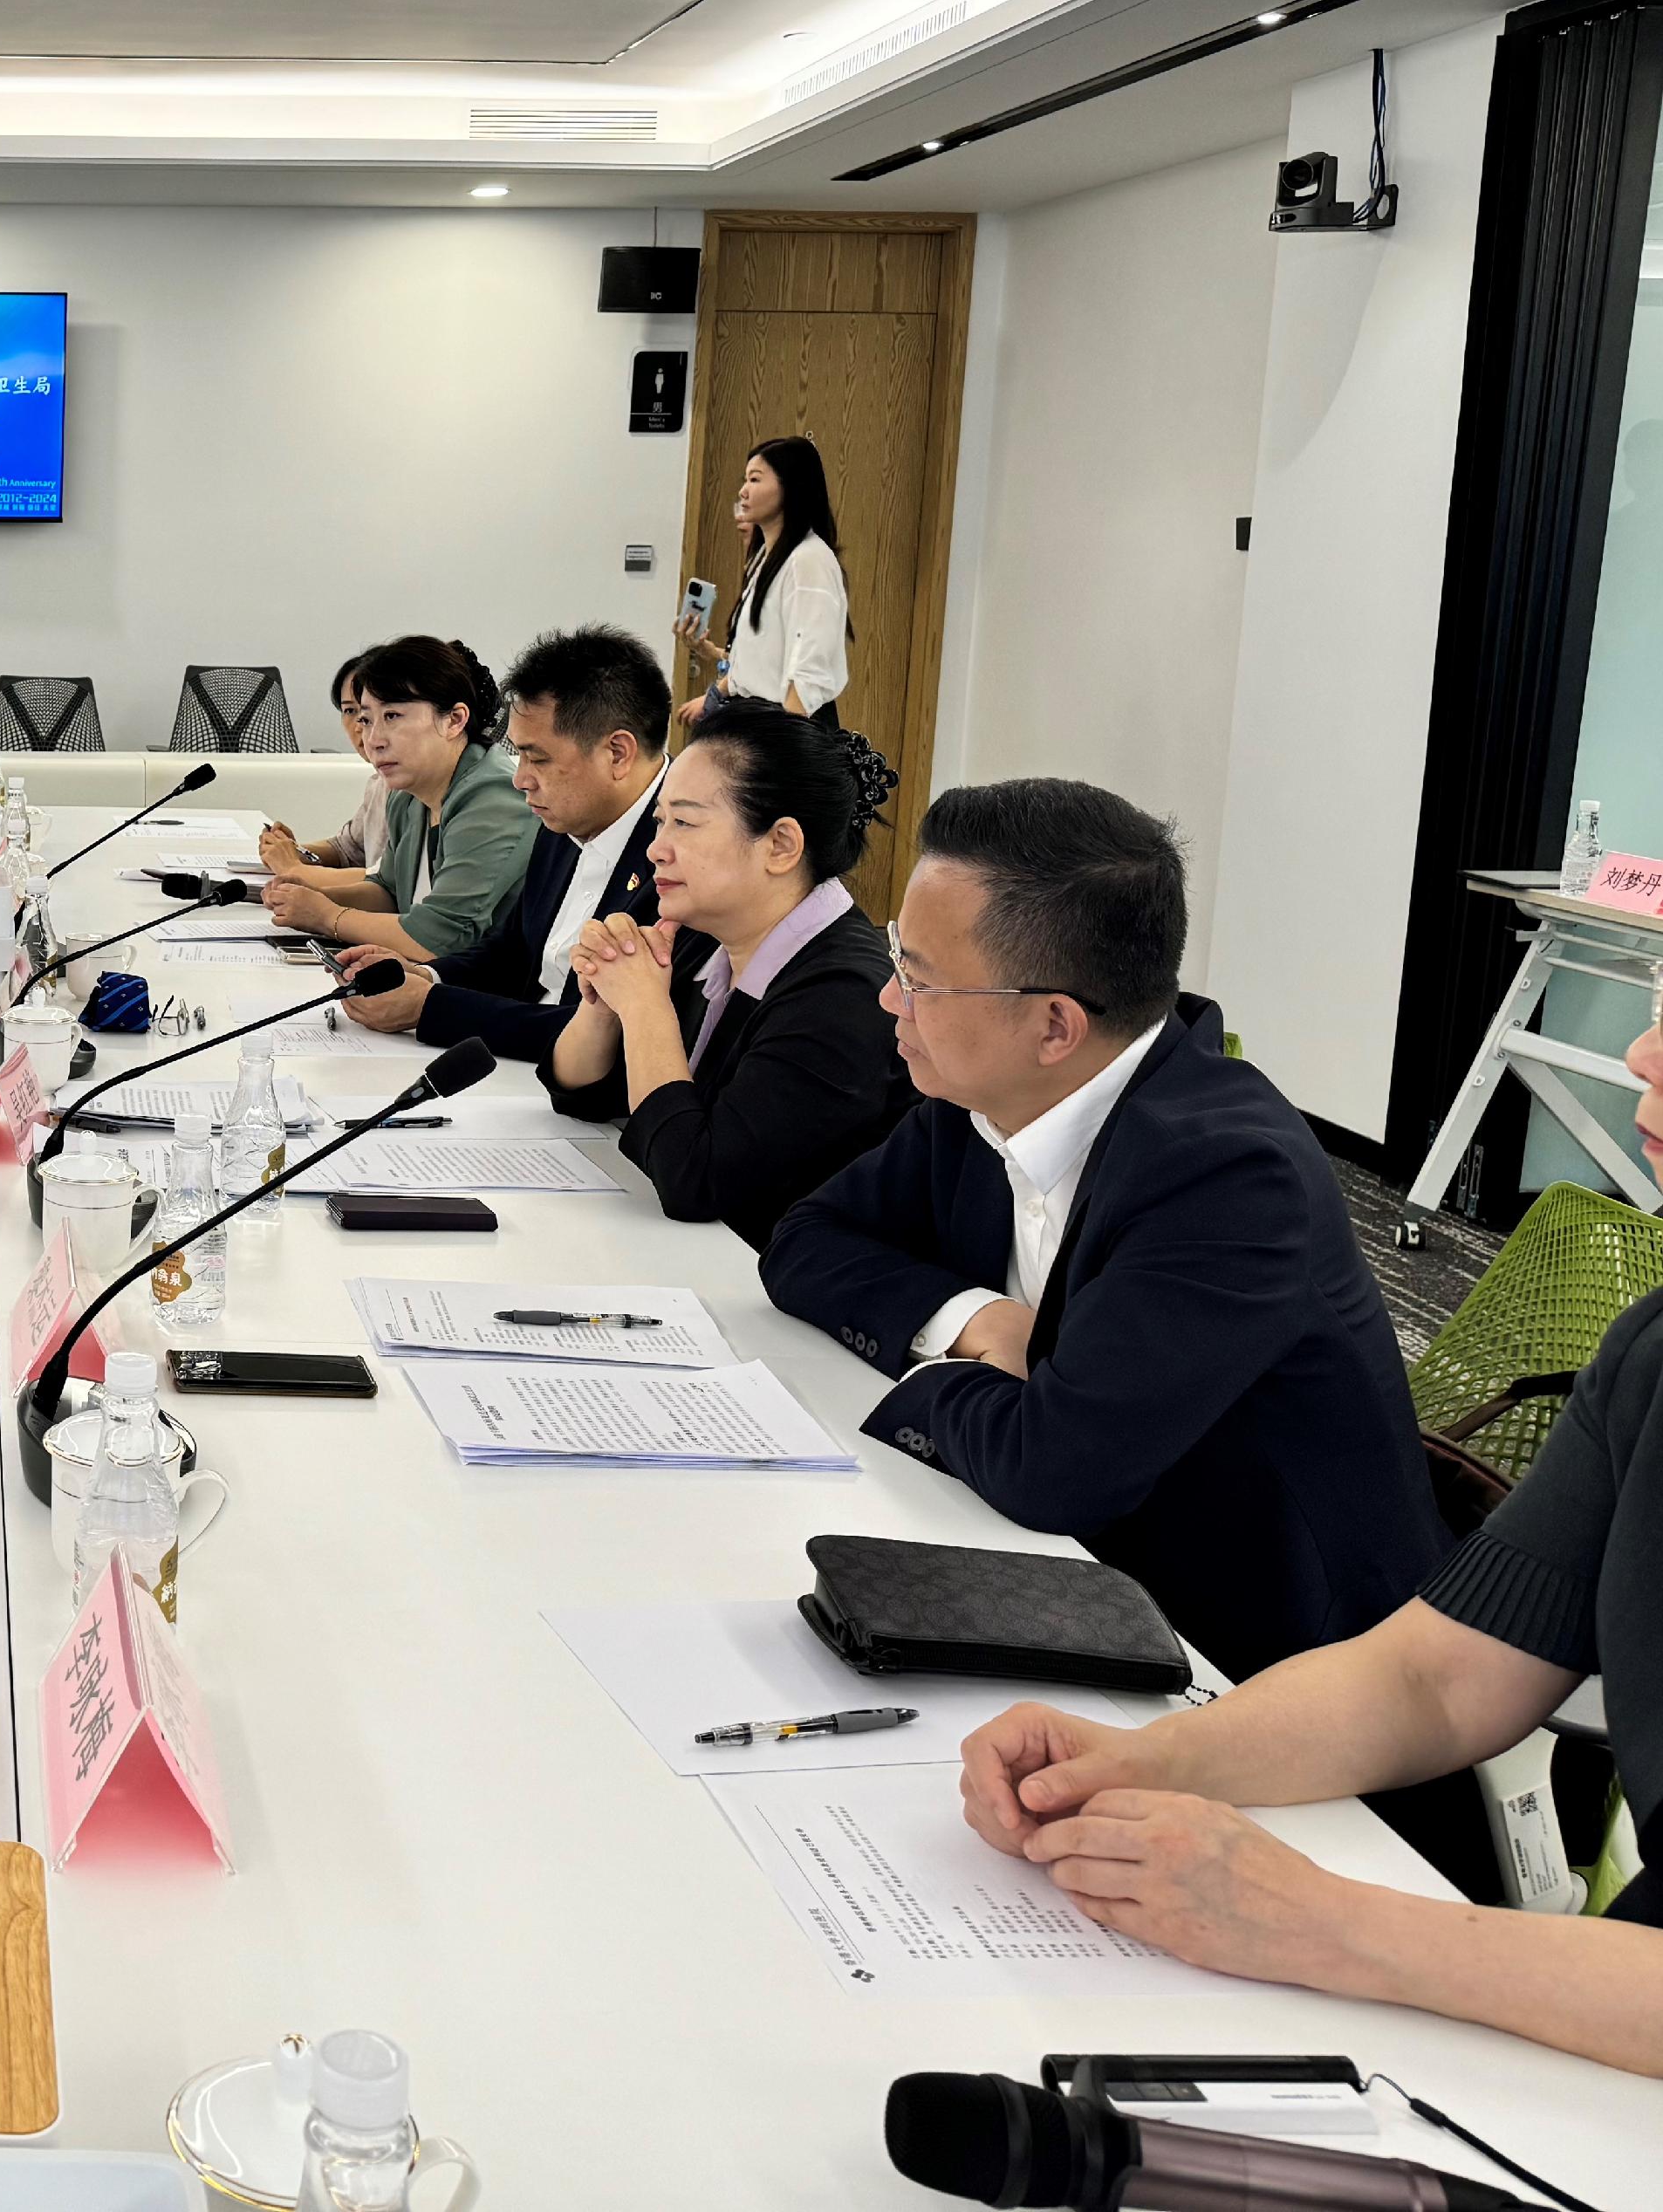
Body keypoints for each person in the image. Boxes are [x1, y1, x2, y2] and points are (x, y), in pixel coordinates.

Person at [953, 1006, 1663, 2069]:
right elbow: (1435, 1676)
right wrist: (1147, 1762)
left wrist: (1321, 1921)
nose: (1640, 1056)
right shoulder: (1649, 1357)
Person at [762, 778, 1447, 1683]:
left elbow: (1051, 1470)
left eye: (919, 979)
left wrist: (929, 1382)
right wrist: (974, 1321)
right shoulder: (978, 1091)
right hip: (1064, 1569)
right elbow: (802, 1242)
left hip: (1267, 1656)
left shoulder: (1230, 1177)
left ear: (1054, 1025)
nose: (890, 1002)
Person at [538, 700, 911, 1245]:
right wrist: (604, 1006)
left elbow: (697, 1181)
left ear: (781, 845)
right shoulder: (703, 938)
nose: (656, 849)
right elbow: (583, 1095)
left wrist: (645, 1008)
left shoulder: (846, 993)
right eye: (660, 821)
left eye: (685, 823)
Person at [341, 627, 671, 1062]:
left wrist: (432, 1007)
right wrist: (424, 975)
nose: (521, 779)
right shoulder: (565, 823)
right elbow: (513, 949)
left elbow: (604, 1028)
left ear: (617, 753)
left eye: (539, 758)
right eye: (519, 755)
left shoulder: (677, 855)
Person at [259, 636, 532, 962]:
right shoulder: (407, 795)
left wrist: (327, 915)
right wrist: (309, 898)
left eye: (392, 716)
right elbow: (388, 891)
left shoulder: (494, 798)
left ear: (454, 720)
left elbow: (438, 938)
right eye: (366, 719)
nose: (373, 740)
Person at [678, 434, 850, 724]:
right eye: (745, 480)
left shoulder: (808, 559)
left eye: (755, 480)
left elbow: (809, 671)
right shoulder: (769, 559)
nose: (743, 492)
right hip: (759, 720)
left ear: (790, 487)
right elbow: (763, 660)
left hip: (787, 729)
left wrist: (783, 749)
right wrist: (715, 692)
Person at [255, 651, 388, 897]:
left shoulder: (417, 788)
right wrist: (293, 851)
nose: (361, 725)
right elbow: (348, 849)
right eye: (350, 711)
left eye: (386, 714)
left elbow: (388, 881)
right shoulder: (380, 782)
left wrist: (294, 868)